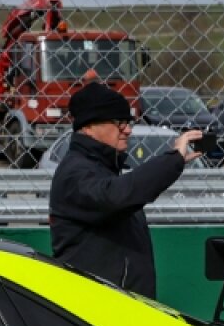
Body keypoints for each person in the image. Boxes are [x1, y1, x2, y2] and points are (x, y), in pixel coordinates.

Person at [47, 82, 202, 297]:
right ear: (89, 126)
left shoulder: (103, 169)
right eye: (119, 122)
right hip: (94, 305)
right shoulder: (75, 173)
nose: (127, 130)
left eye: (128, 122)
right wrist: (172, 161)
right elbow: (117, 196)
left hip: (118, 303)